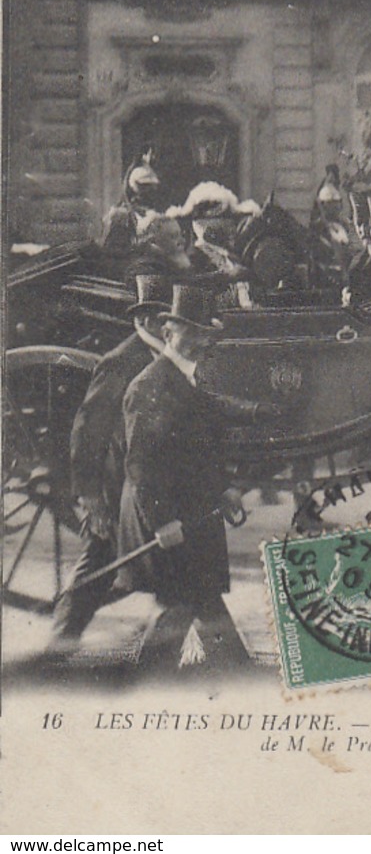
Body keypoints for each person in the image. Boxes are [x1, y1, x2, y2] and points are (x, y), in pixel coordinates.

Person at [116, 285, 267, 671]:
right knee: (183, 602)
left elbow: (198, 450)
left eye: (205, 333)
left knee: (201, 597)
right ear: (168, 332)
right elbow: (141, 467)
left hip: (194, 514)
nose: (200, 340)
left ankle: (238, 673)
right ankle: (139, 688)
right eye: (191, 331)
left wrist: (224, 489)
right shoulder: (149, 386)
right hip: (170, 519)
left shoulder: (185, 380)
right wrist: (162, 520)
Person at [47, 274, 172, 653]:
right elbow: (87, 433)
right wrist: (90, 499)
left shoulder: (164, 357)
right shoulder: (120, 362)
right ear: (148, 320)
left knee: (172, 569)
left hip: (148, 486)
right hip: (115, 489)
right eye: (169, 318)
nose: (174, 327)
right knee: (97, 565)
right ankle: (58, 646)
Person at [101, 148, 162, 265]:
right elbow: (113, 251)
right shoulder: (121, 215)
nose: (150, 193)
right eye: (145, 188)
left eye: (152, 188)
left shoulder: (152, 215)